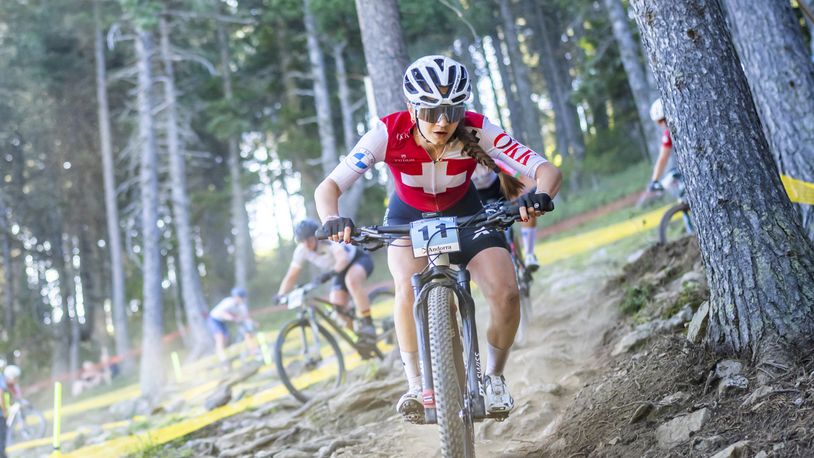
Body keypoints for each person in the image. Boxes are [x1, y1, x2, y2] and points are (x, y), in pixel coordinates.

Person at [313, 55, 562, 422]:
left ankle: (493, 377)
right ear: (412, 107)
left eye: (452, 109)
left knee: (506, 292)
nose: (443, 121)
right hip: (407, 215)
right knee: (406, 285)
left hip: (465, 212)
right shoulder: (386, 133)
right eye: (431, 112)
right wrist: (332, 218)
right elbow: (329, 186)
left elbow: (546, 170)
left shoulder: (478, 129)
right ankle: (416, 384)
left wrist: (539, 196)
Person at [276, 219, 376, 340]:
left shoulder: (328, 239)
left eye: (309, 240)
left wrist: (329, 274)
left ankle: (368, 322)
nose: (307, 244)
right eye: (302, 241)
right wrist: (281, 294)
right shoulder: (301, 251)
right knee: (337, 309)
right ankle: (361, 339)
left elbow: (342, 259)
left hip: (357, 260)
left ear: (316, 236)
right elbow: (291, 275)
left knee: (351, 280)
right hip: (337, 271)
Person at [472, 163, 540, 270]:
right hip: (477, 194)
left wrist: (529, 192)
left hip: (500, 185)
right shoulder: (458, 161)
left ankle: (529, 254)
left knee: (526, 204)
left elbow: (517, 174)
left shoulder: (486, 152)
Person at [208, 288, 258, 367]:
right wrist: (232, 318)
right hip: (214, 319)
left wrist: (253, 322)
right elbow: (222, 313)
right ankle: (222, 359)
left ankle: (226, 356)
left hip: (222, 322)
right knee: (220, 338)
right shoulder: (229, 302)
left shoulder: (242, 306)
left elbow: (245, 317)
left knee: (226, 339)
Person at [647, 98, 682, 196]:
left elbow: (663, 158)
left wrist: (655, 180)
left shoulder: (668, 132)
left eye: (660, 121)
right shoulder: (670, 131)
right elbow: (662, 158)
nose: (660, 125)